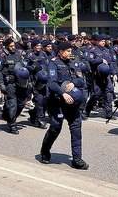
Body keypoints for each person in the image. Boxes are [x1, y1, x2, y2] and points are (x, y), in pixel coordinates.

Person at [39, 41, 88, 169]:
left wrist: (74, 83)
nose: (70, 53)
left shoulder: (73, 63)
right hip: (56, 101)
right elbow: (52, 83)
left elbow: (81, 80)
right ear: (61, 52)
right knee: (55, 127)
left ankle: (77, 159)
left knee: (76, 128)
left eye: (71, 51)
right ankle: (45, 151)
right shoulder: (53, 63)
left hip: (72, 102)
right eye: (68, 51)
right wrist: (63, 94)